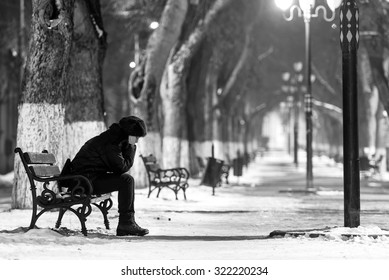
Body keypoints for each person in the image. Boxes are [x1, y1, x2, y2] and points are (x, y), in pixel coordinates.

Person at [68, 116, 149, 236]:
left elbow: (118, 168)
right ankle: (126, 224)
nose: (136, 140)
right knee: (126, 180)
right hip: (84, 182)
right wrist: (131, 147)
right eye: (136, 137)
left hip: (86, 178)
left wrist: (129, 145)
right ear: (130, 134)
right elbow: (121, 168)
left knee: (126, 180)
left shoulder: (113, 138)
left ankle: (127, 223)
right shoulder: (112, 143)